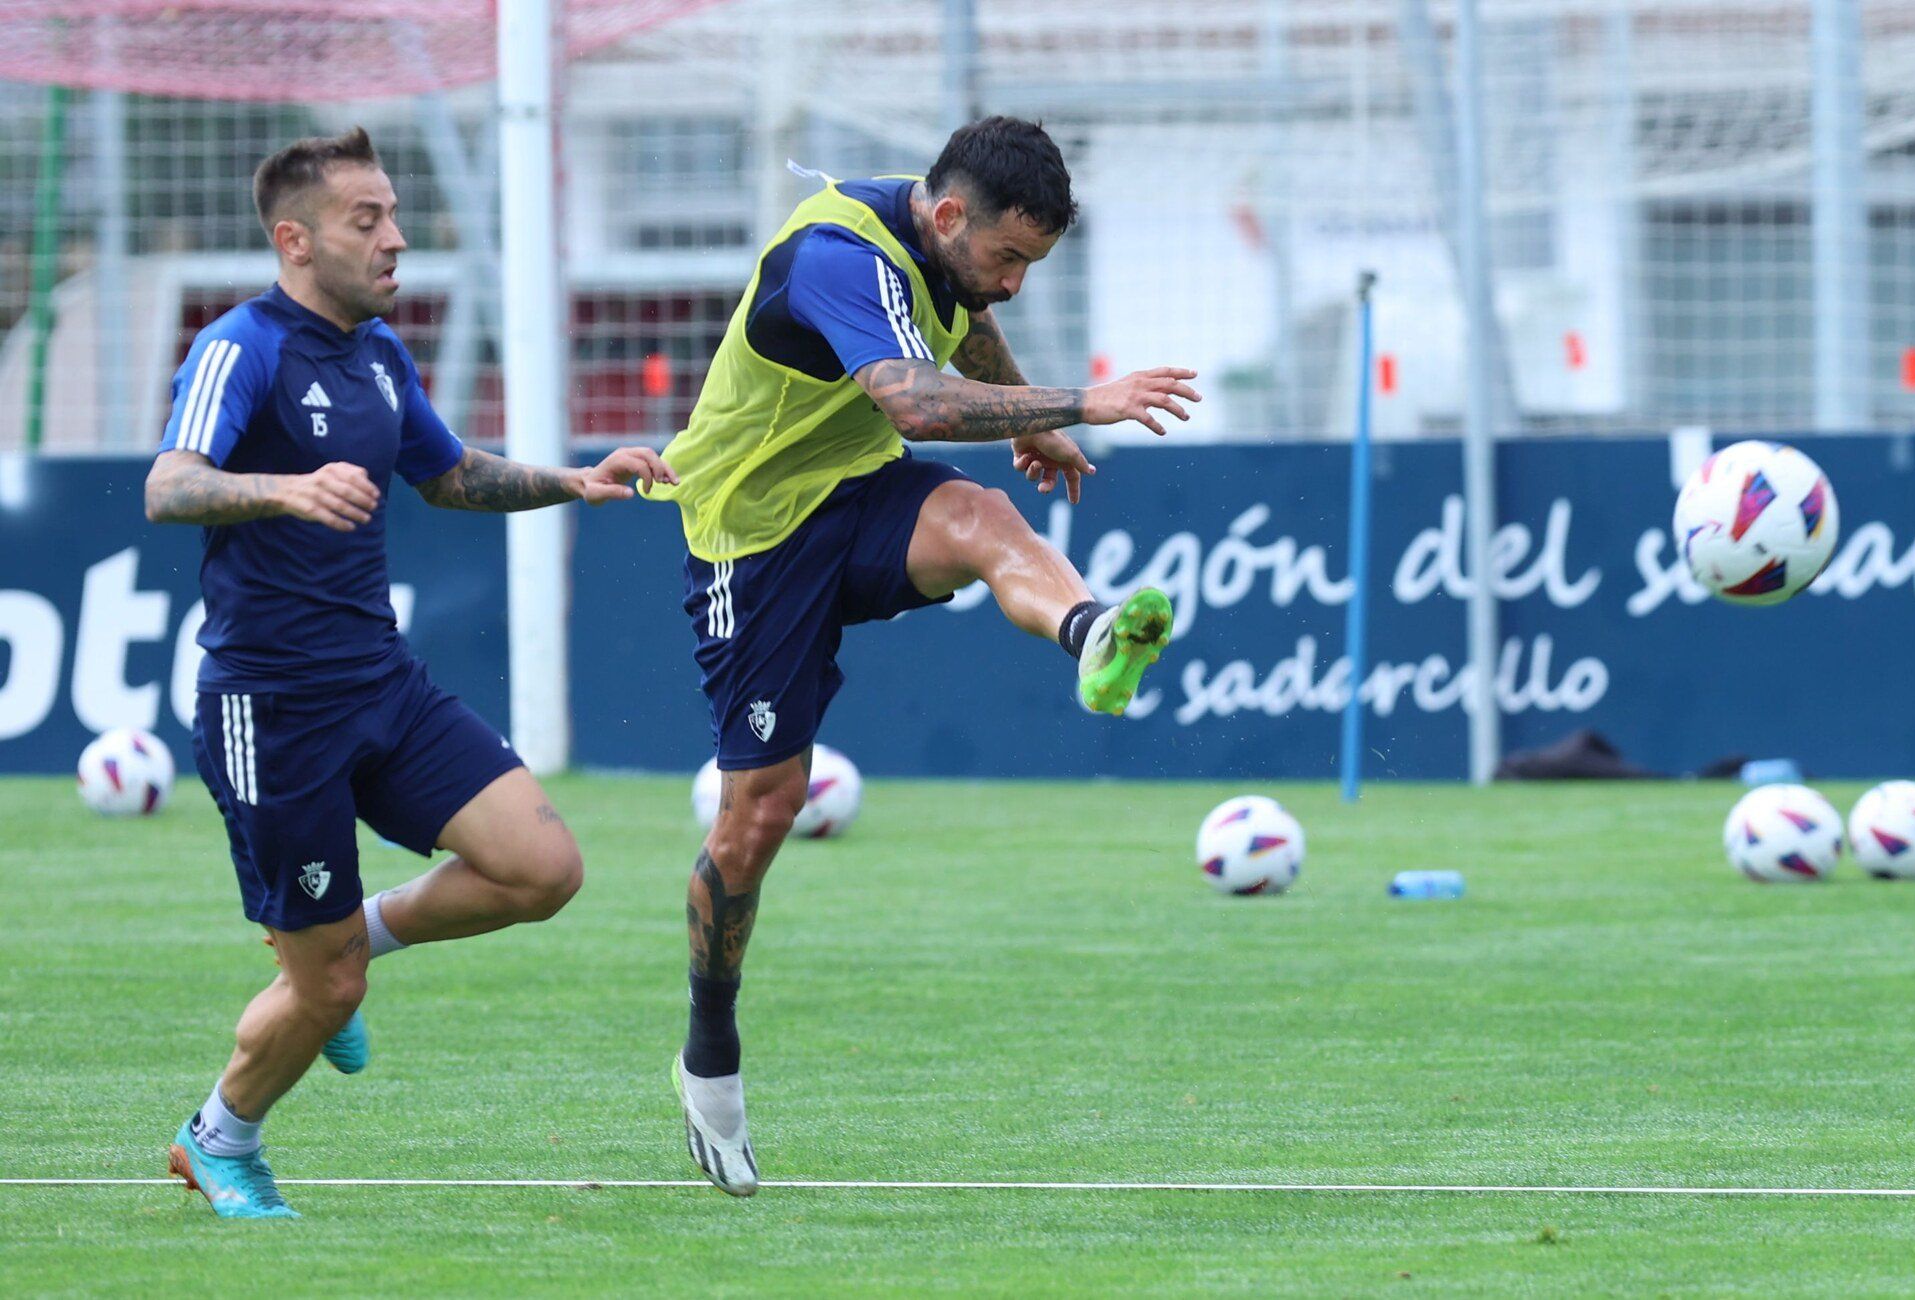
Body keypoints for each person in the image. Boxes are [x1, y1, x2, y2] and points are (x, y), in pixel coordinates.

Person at [644, 115, 1200, 1195]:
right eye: (1009, 257)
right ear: (948, 215)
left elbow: (965, 316)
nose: (1014, 284)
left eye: (1031, 264)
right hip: (751, 539)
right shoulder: (835, 256)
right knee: (758, 817)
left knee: (986, 517)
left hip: (857, 494)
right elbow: (914, 397)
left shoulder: (944, 238)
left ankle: (1091, 635)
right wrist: (1079, 401)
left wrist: (1023, 423)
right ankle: (708, 1051)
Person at [148, 127, 671, 1219]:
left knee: (542, 868)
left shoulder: (379, 352)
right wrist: (283, 489)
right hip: (270, 709)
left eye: (392, 214)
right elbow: (170, 484)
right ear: (295, 240)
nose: (395, 237)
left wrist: (575, 479)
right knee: (326, 986)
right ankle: (220, 1137)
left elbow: (449, 473)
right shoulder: (241, 347)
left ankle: (351, 937)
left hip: (381, 684)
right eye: (367, 219)